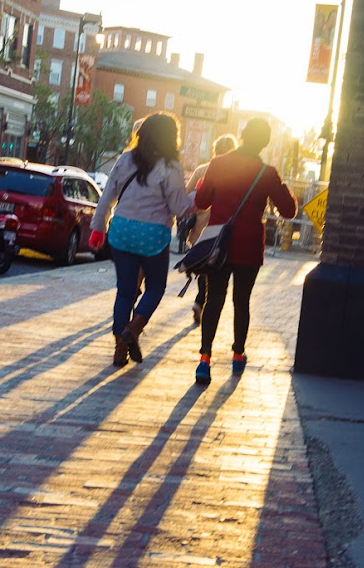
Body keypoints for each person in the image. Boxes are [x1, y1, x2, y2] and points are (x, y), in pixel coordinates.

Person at [193, 117, 297, 385]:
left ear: (242, 135)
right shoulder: (268, 173)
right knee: (242, 301)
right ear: (264, 143)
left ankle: (204, 359)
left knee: (214, 298)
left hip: (219, 245)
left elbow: (202, 201)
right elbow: (289, 211)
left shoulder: (218, 164)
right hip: (249, 245)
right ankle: (238, 355)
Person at [88, 112, 194, 367]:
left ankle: (119, 349)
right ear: (172, 138)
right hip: (153, 235)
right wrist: (198, 198)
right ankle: (133, 330)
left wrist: (98, 227)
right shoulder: (170, 167)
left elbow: (107, 196)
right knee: (155, 287)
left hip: (122, 231)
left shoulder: (125, 159)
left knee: (125, 291)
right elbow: (180, 207)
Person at [184, 133, 238, 325]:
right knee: (211, 267)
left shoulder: (201, 170)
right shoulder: (234, 173)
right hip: (219, 224)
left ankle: (200, 301)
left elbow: (187, 193)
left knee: (203, 264)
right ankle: (200, 301)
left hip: (200, 223)